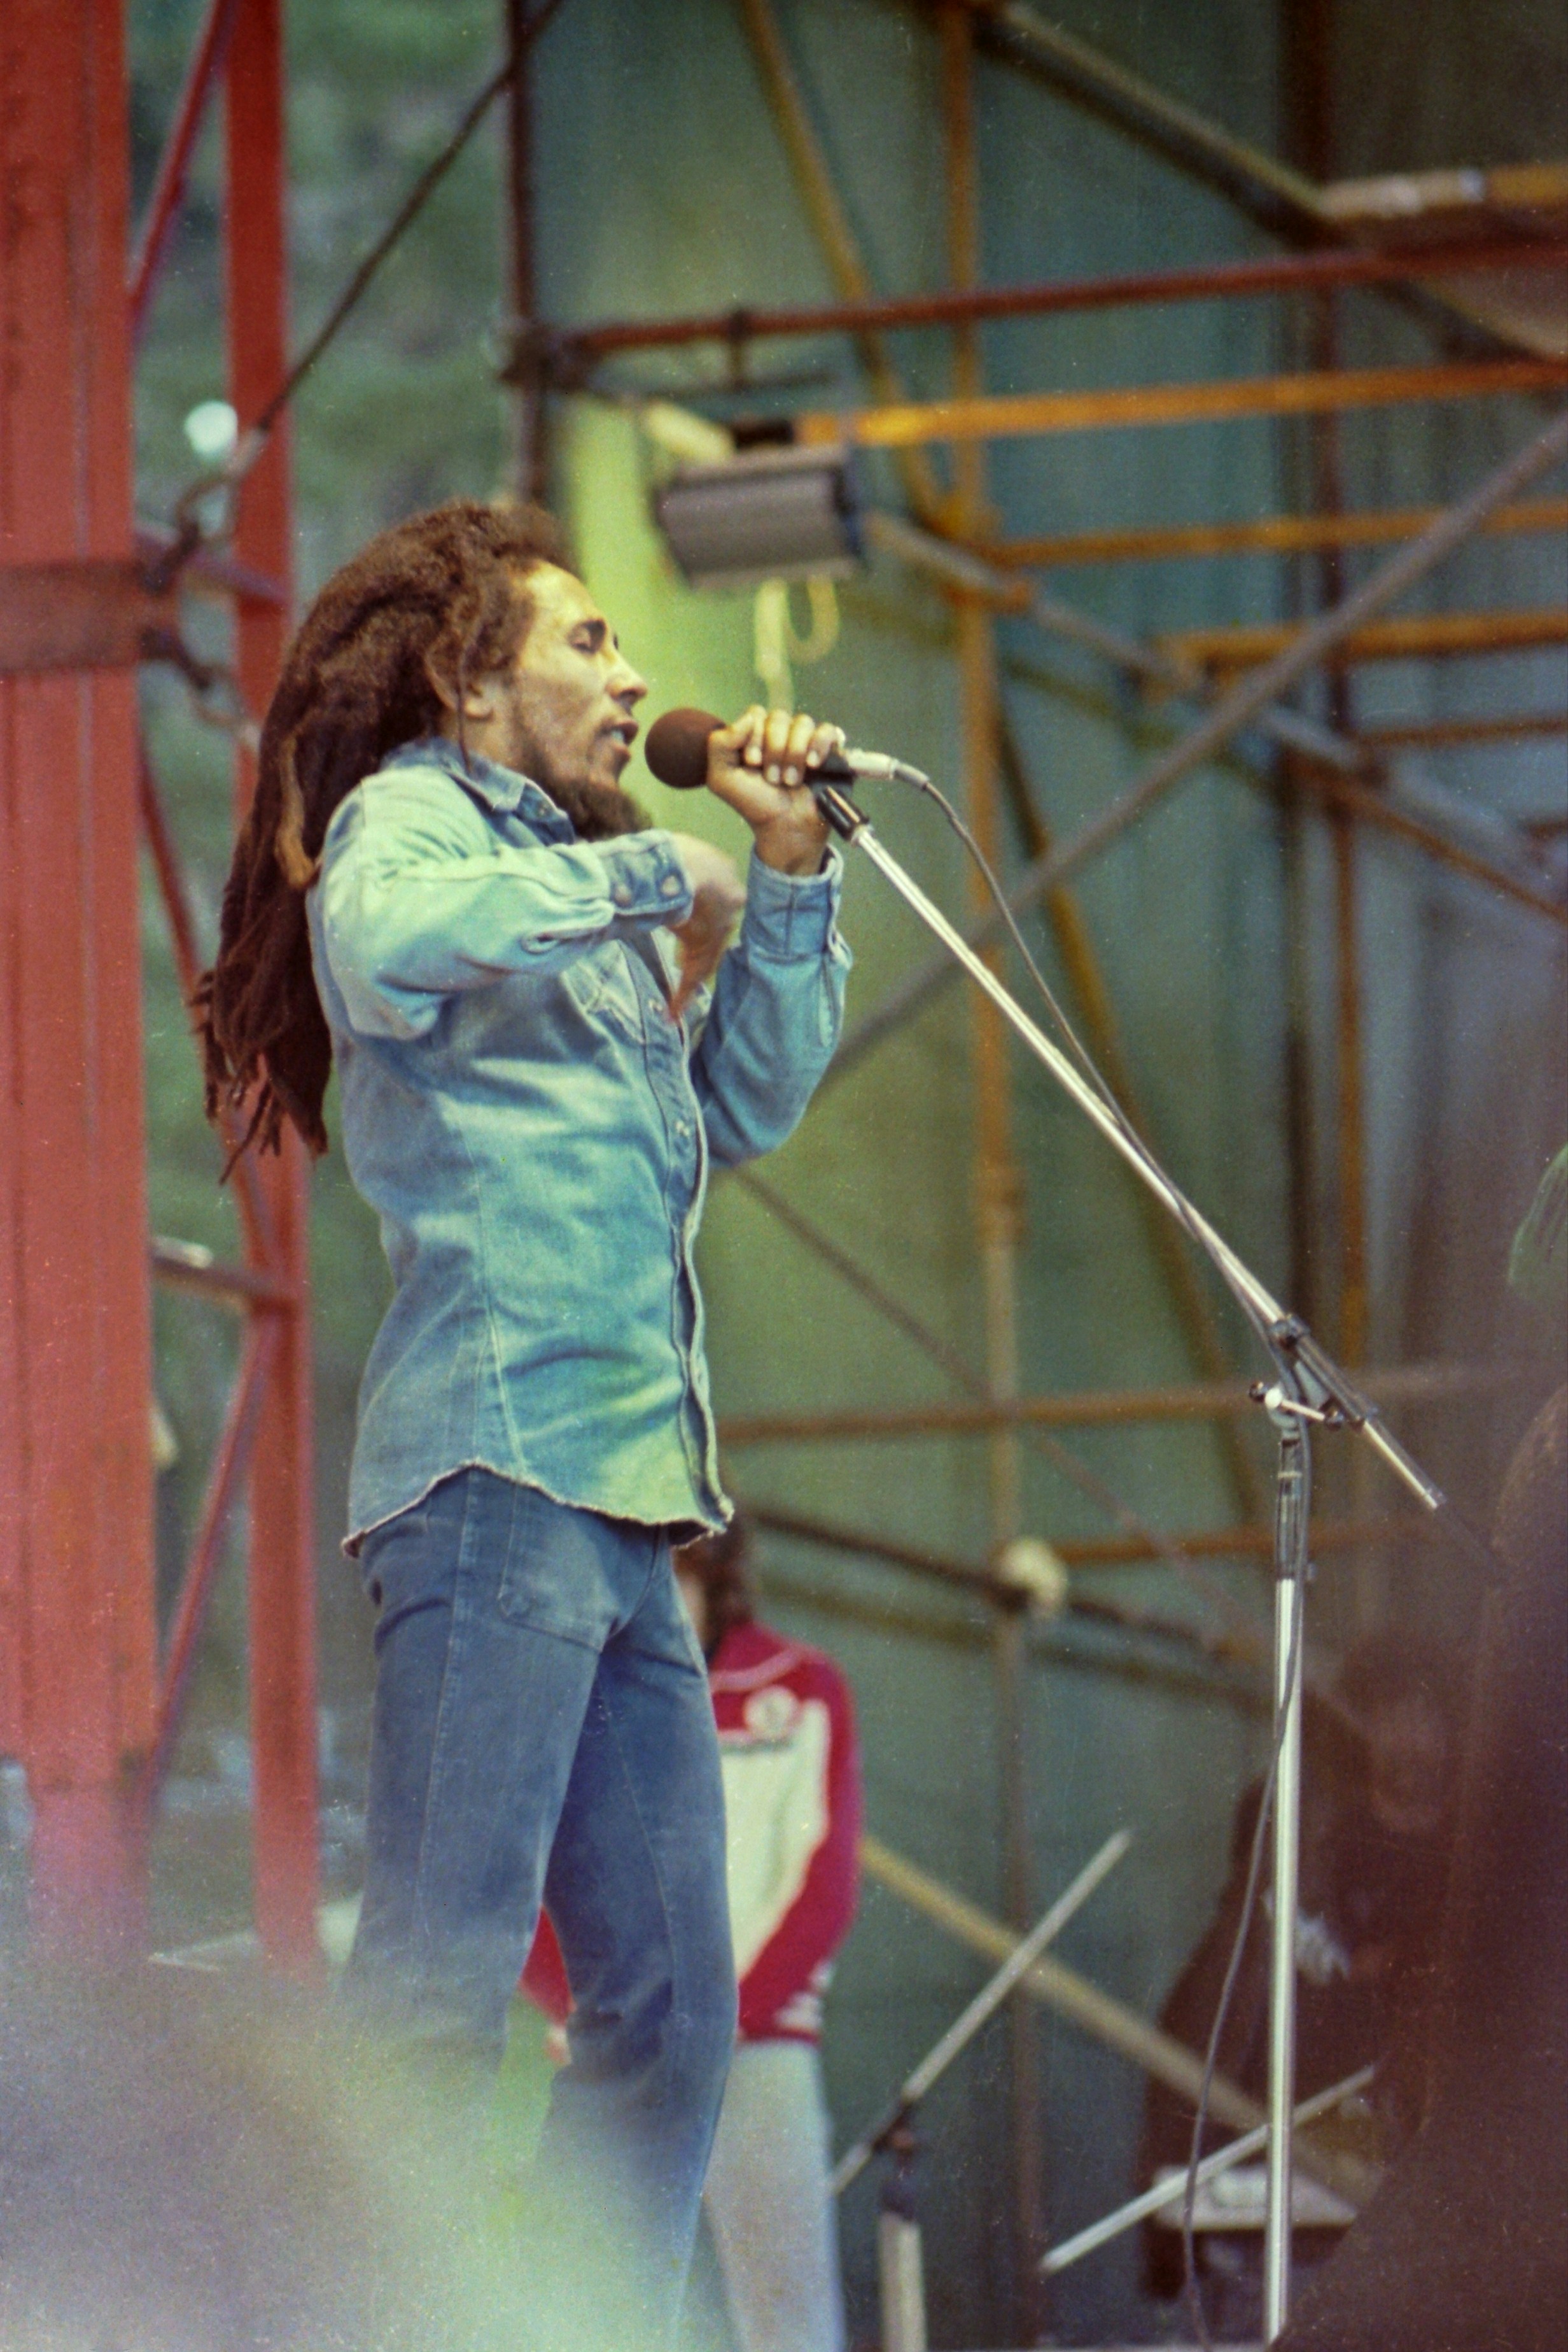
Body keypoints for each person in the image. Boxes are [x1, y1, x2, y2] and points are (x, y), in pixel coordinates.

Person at [197, 497, 853, 2347]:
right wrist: (663, 880)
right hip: (493, 1472)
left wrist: (787, 873)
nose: (634, 678)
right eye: (584, 646)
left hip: (629, 1504)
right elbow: (383, 943)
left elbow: (749, 1105)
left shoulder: (582, 872)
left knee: (667, 2015)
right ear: (465, 683)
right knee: (438, 1984)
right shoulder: (418, 818)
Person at [523, 1514, 861, 2352]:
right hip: (617, 2056)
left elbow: (822, 1885)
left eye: (668, 1573)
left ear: (714, 1570)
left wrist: (722, 2017)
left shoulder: (804, 1689)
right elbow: (528, 1874)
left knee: (788, 2317)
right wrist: (580, 2012)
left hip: (760, 2045)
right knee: (594, 2312)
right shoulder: (576, 1698)